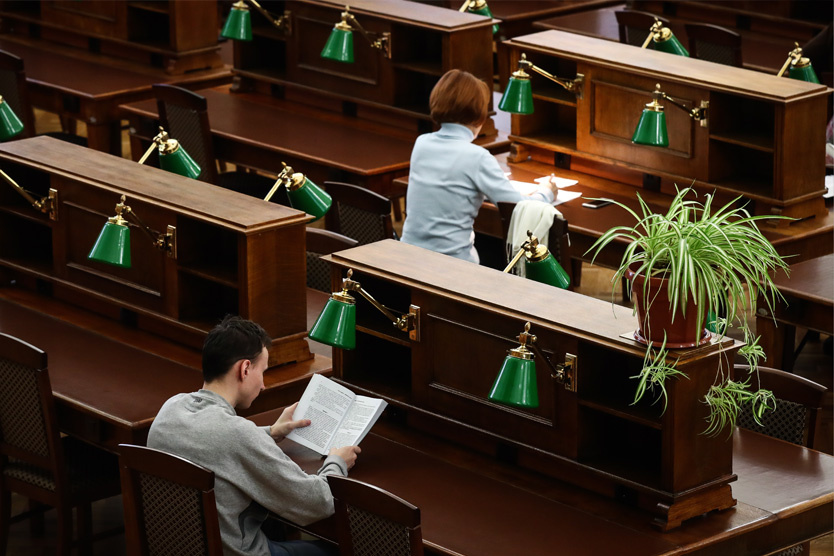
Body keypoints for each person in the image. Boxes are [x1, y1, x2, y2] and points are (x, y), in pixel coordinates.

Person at [148, 316, 361, 556]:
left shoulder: (171, 408)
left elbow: (212, 440)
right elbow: (317, 503)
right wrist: (337, 462)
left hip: (176, 547)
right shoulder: (238, 434)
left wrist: (270, 432)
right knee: (338, 550)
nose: (263, 385)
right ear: (245, 368)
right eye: (263, 372)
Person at [400, 69, 558, 264]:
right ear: (480, 117)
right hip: (453, 267)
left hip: (408, 259)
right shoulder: (477, 157)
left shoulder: (422, 143)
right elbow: (520, 208)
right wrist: (546, 193)